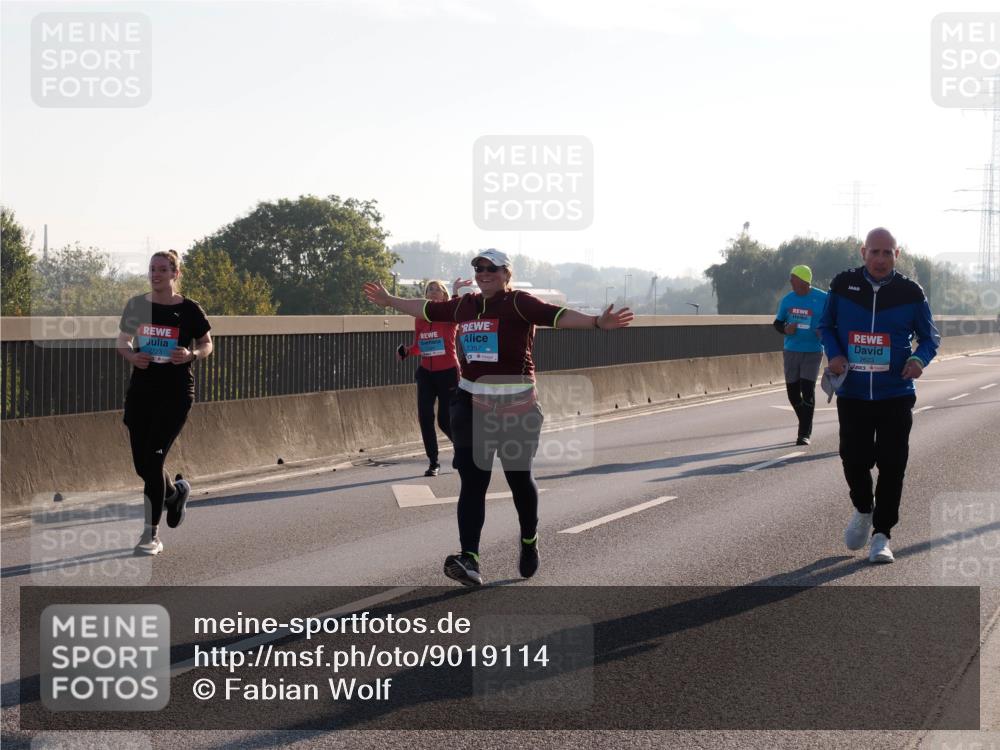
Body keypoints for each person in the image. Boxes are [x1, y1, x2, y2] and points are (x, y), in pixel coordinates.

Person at [365, 249, 633, 586]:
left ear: (506, 274)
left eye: (492, 268)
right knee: (473, 482)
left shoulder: (519, 302)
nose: (484, 273)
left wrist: (596, 322)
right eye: (479, 268)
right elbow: (427, 309)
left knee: (518, 480)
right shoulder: (465, 305)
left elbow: (557, 315)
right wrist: (390, 300)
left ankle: (529, 540)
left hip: (516, 407)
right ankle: (470, 558)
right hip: (470, 405)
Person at [818, 228, 939, 564]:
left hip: (895, 393)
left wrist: (918, 360)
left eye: (888, 253)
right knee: (853, 458)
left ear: (896, 255)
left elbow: (930, 338)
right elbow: (826, 326)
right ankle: (863, 508)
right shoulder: (843, 285)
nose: (881, 259)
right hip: (853, 392)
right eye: (875, 252)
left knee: (892, 464)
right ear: (863, 253)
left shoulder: (910, 292)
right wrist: (835, 353)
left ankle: (882, 535)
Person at [116, 250, 213, 555]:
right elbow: (122, 341)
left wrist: (191, 354)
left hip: (175, 394)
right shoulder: (137, 306)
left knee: (154, 460)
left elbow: (207, 343)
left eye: (162, 269)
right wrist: (133, 357)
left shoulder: (189, 309)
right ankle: (173, 494)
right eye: (152, 269)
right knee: (143, 466)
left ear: (175, 274)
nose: (155, 274)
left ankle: (151, 535)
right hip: (142, 393)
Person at [396, 280, 460, 476]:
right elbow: (419, 345)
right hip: (426, 373)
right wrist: (407, 351)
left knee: (444, 420)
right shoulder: (420, 318)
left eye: (436, 289)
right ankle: (433, 462)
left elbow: (458, 310)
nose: (431, 292)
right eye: (429, 290)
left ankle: (462, 448)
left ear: (444, 295)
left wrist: (456, 292)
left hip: (448, 372)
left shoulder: (449, 314)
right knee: (425, 417)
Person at [772, 265, 827, 445]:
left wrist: (824, 331)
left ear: (804, 281)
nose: (790, 282)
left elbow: (834, 320)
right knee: (793, 394)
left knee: (808, 390)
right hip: (791, 350)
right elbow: (777, 323)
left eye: (793, 278)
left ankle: (804, 433)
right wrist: (786, 329)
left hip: (813, 351)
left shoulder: (823, 298)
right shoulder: (788, 300)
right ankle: (806, 421)